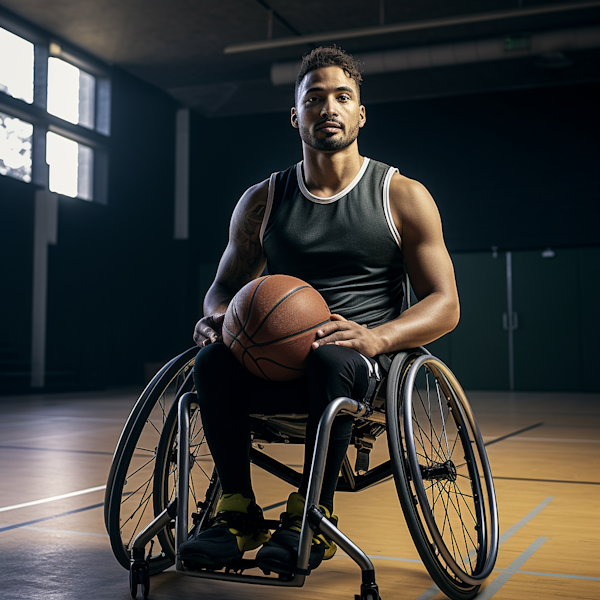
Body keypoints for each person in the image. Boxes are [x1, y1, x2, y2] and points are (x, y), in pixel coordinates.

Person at [177, 46, 460, 576]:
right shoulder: (264, 199)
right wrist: (216, 317)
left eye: (342, 97)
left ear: (360, 113)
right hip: (270, 361)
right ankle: (236, 511)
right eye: (314, 98)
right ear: (296, 115)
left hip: (356, 368)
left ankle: (311, 512)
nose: (328, 107)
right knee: (211, 362)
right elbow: (221, 287)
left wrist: (377, 338)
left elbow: (446, 305)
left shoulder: (401, 195)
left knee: (331, 358)